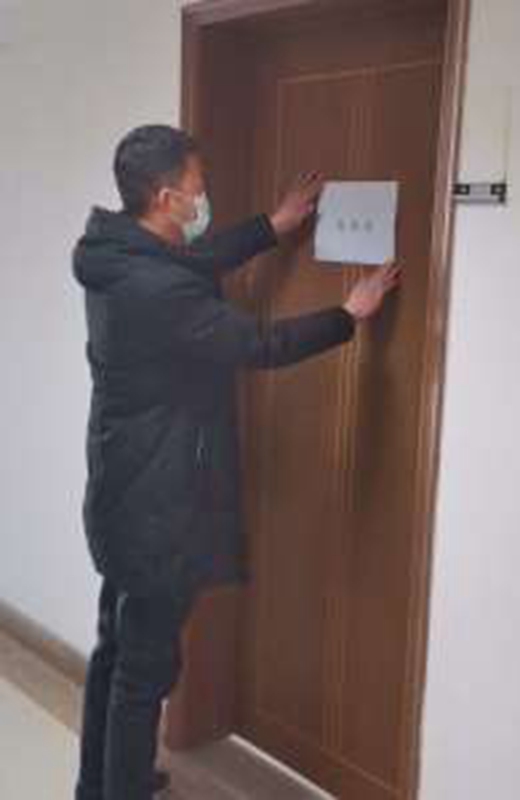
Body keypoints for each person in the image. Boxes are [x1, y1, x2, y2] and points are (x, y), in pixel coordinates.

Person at [71, 124, 401, 800]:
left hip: (123, 490)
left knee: (117, 651)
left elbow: (195, 260)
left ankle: (99, 785)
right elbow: (261, 344)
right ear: (166, 198)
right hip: (157, 507)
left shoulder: (115, 255)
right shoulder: (157, 288)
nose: (204, 197)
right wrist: (348, 314)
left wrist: (271, 227)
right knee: (142, 672)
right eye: (197, 188)